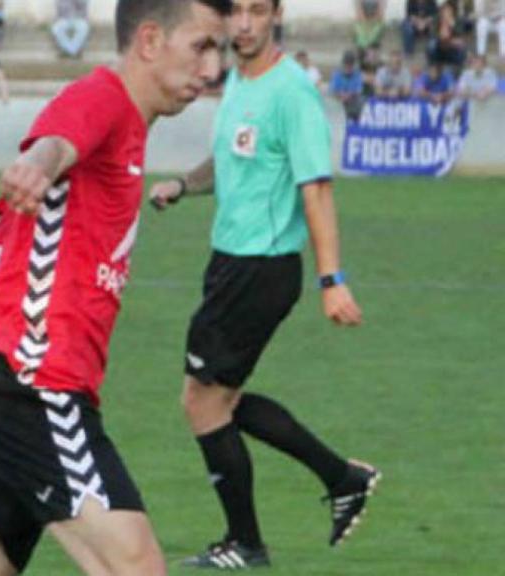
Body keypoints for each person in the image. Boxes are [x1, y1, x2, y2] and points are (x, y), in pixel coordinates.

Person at [0, 1, 230, 575]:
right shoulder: (103, 100)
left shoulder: (130, 130)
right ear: (151, 40)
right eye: (202, 46)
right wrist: (37, 162)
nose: (212, 69)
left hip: (0, 384)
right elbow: (55, 143)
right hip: (37, 390)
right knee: (135, 565)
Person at [149, 0, 381, 569]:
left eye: (258, 10)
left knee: (201, 403)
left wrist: (333, 280)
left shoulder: (291, 92)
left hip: (261, 268)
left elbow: (317, 188)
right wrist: (184, 184)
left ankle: (246, 542)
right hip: (229, 264)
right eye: (237, 12)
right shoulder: (239, 83)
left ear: (276, 15)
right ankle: (342, 477)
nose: (245, 24)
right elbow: (229, 159)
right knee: (216, 401)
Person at [330, 49, 365, 120]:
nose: (348, 66)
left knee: (361, 101)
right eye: (346, 64)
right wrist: (340, 95)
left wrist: (349, 95)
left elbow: (359, 90)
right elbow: (332, 90)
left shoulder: (357, 74)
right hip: (339, 102)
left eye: (350, 64)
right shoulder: (337, 73)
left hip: (352, 102)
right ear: (343, 63)